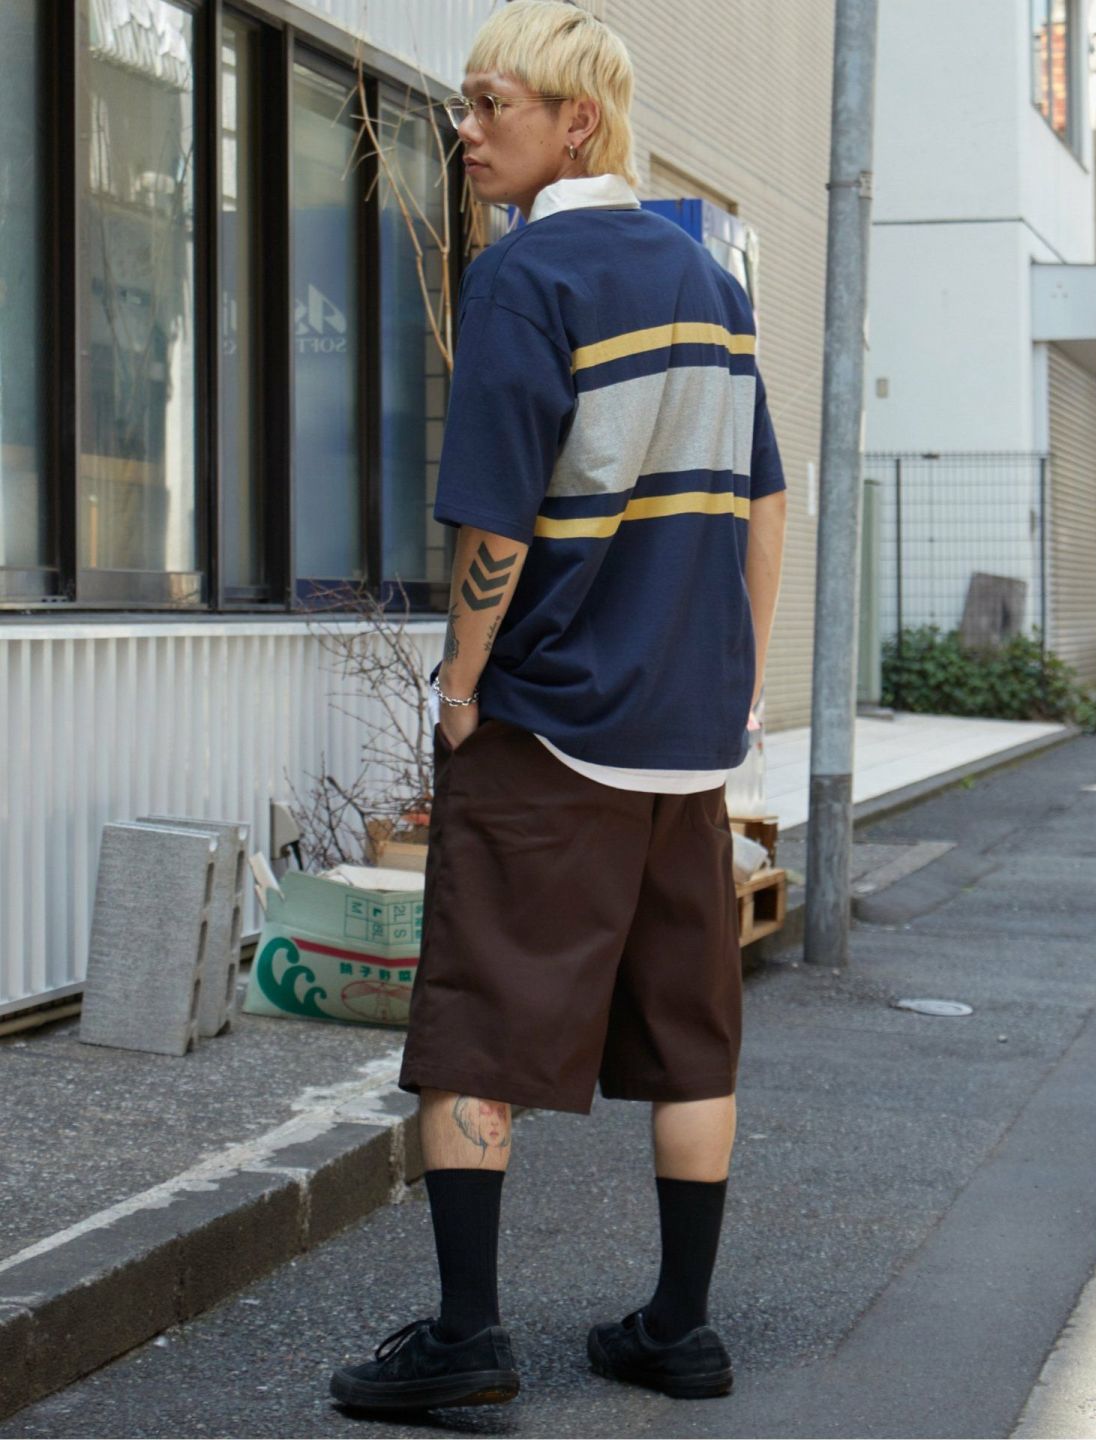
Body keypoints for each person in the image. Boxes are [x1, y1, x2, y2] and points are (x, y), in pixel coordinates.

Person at [330, 0, 787, 1414]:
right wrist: (735, 681)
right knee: (692, 1034)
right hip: (683, 742)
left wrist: (462, 686)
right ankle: (680, 1332)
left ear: (575, 122)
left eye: (492, 104)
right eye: (465, 105)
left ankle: (468, 1342)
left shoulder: (525, 275)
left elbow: (497, 517)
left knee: (479, 1022)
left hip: (551, 722)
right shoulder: (708, 281)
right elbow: (765, 501)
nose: (465, 131)